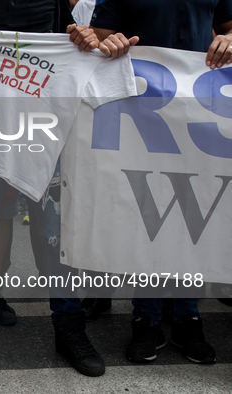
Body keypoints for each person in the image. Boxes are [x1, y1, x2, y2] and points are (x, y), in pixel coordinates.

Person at [0, 0, 133, 377]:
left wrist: (91, 42)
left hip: (42, 132)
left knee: (53, 237)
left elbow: (71, 42)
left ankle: (69, 326)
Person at [90, 0, 232, 365]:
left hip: (200, 112)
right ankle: (146, 316)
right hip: (143, 111)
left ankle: (187, 316)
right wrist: (113, 41)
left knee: (193, 209)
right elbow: (101, 32)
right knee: (149, 211)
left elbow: (229, 26)